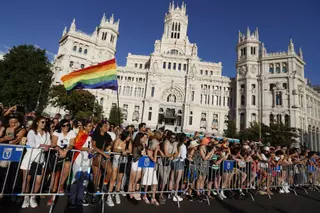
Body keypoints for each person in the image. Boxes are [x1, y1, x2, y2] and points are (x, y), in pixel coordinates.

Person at [69, 120, 109, 208]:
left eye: (91, 126)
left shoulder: (90, 136)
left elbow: (91, 147)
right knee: (76, 179)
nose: (91, 128)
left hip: (87, 160)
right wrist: (87, 149)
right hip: (79, 159)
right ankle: (72, 198)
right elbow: (77, 146)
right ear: (84, 126)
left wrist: (92, 151)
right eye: (89, 126)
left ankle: (80, 197)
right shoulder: (81, 134)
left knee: (84, 180)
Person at [20, 116, 51, 208]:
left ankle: (32, 197)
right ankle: (25, 198)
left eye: (45, 122)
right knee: (26, 179)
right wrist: (42, 145)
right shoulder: (31, 132)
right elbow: (32, 143)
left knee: (38, 180)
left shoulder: (47, 133)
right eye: (42, 122)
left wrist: (46, 146)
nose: (44, 124)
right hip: (30, 158)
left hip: (40, 159)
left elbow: (48, 144)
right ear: (37, 122)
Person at [48, 119, 76, 205]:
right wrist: (60, 150)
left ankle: (61, 184)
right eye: (64, 125)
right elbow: (53, 143)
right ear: (60, 126)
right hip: (56, 153)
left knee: (67, 167)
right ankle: (52, 196)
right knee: (55, 175)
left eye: (67, 125)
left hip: (67, 153)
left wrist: (66, 150)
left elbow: (71, 144)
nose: (66, 127)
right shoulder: (56, 132)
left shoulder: (72, 132)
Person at [106, 131, 132, 207]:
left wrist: (125, 151)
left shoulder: (128, 142)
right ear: (125, 136)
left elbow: (130, 150)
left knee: (120, 179)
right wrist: (122, 151)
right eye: (129, 136)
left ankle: (117, 193)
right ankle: (109, 196)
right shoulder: (118, 140)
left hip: (123, 161)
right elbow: (114, 149)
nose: (130, 137)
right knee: (113, 179)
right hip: (116, 161)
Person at [128, 132, 148, 200]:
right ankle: (131, 193)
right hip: (135, 163)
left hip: (140, 163)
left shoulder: (143, 145)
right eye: (143, 137)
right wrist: (142, 155)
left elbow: (145, 153)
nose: (145, 139)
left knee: (136, 179)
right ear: (140, 137)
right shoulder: (135, 145)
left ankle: (133, 192)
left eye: (145, 137)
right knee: (132, 179)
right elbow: (135, 156)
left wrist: (144, 147)